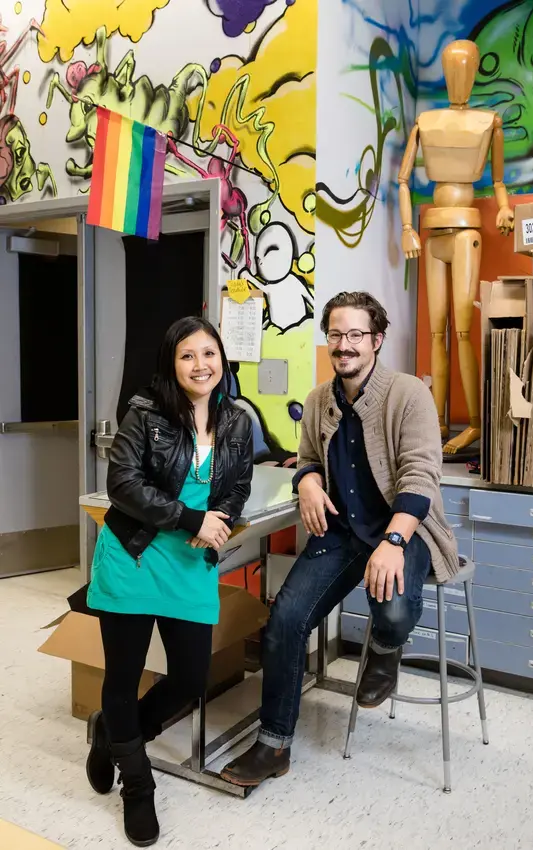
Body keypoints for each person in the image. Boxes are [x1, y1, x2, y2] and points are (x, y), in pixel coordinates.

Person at [221, 291, 459, 788]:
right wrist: (307, 481)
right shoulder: (318, 400)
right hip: (343, 532)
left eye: (355, 335)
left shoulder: (407, 394)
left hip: (402, 530)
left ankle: (385, 647)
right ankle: (274, 745)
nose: (344, 345)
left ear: (376, 340)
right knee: (286, 620)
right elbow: (307, 456)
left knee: (392, 613)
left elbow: (420, 477)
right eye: (335, 334)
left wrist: (393, 541)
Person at [85, 317, 253, 846]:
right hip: (133, 556)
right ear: (171, 363)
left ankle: (113, 733)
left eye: (209, 353)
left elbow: (238, 483)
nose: (200, 364)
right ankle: (138, 784)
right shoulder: (145, 413)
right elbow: (122, 484)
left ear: (221, 359)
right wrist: (190, 519)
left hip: (189, 565)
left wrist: (221, 516)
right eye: (187, 355)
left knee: (187, 679)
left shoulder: (236, 421)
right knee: (123, 676)